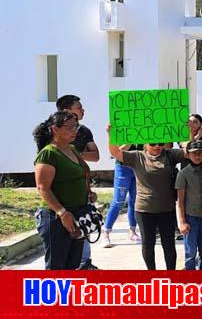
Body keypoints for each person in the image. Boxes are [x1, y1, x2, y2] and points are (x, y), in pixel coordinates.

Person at [105, 125, 183, 270]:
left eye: (160, 143)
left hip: (167, 209)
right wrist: (111, 134)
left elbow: (188, 152)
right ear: (145, 143)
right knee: (148, 243)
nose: (157, 146)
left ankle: (172, 275)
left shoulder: (170, 155)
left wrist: (186, 132)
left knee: (169, 244)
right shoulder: (137, 156)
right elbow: (115, 152)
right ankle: (151, 274)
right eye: (153, 143)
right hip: (144, 210)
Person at [33, 111, 92, 270]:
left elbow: (83, 172)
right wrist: (62, 213)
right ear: (55, 129)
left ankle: (67, 295)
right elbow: (42, 187)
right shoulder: (48, 153)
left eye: (76, 127)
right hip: (56, 218)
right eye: (70, 127)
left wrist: (89, 191)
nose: (75, 131)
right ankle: (52, 296)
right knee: (56, 267)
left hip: (77, 215)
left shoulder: (72, 149)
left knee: (72, 265)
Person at [56, 95, 100, 270]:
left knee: (83, 226)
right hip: (60, 194)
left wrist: (72, 154)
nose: (83, 110)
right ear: (66, 110)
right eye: (79, 107)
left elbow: (95, 156)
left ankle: (84, 263)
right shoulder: (49, 131)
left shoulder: (84, 131)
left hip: (81, 188)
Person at [175, 140, 202, 270]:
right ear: (188, 155)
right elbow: (180, 200)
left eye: (200, 153)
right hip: (190, 218)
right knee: (190, 253)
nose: (197, 156)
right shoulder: (183, 173)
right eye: (194, 153)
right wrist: (182, 222)